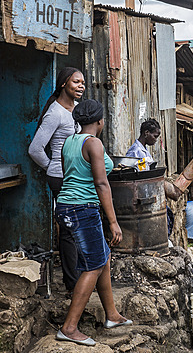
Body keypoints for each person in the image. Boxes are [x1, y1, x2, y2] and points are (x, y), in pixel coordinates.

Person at [54, 100, 131, 346]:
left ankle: (112, 315)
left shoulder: (69, 141)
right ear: (100, 121)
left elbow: (70, 174)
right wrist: (113, 222)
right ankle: (69, 327)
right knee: (94, 265)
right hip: (82, 209)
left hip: (65, 206)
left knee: (102, 256)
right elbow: (100, 184)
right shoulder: (94, 143)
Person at [29, 67, 84, 294]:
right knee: (69, 231)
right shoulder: (55, 113)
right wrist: (53, 167)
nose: (81, 86)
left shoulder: (77, 109)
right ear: (63, 84)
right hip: (61, 177)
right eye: (76, 82)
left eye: (83, 83)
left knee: (78, 228)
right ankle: (72, 284)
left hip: (75, 176)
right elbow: (35, 149)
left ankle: (79, 277)